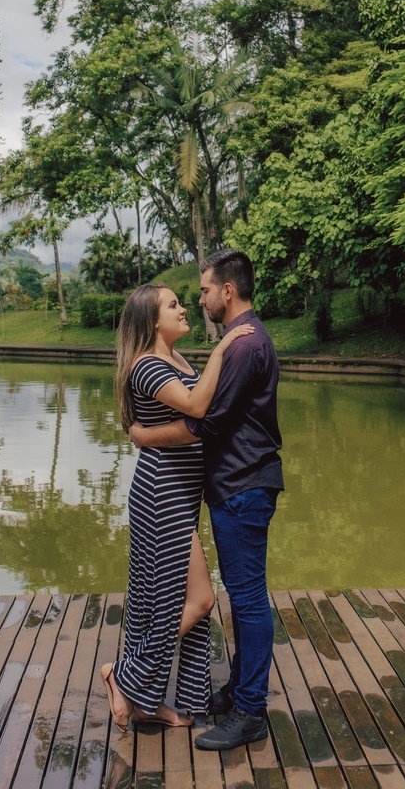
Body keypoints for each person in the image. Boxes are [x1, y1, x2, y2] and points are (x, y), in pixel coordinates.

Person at [129, 249, 283, 752]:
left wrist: (145, 437)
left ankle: (251, 710)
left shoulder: (241, 346)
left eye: (202, 291)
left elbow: (206, 419)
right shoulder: (238, 343)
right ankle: (239, 692)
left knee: (248, 599)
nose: (199, 300)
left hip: (242, 484)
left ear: (227, 292)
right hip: (226, 486)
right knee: (236, 596)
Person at [100, 281, 255, 733]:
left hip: (182, 492)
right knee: (202, 598)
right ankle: (124, 678)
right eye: (174, 305)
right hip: (161, 491)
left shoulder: (177, 359)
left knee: (166, 599)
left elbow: (202, 407)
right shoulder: (146, 366)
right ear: (152, 321)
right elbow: (196, 406)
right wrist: (225, 345)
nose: (184, 308)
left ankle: (159, 702)